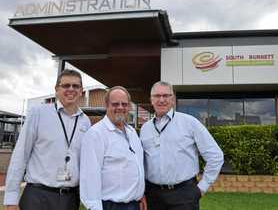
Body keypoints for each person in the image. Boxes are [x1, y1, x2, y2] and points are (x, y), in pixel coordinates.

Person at [3, 69, 91, 210]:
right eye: (66, 85)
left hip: (70, 199)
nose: (71, 89)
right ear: (56, 89)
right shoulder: (38, 113)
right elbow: (20, 155)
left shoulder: (85, 121)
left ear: (81, 91)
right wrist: (11, 199)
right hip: (38, 197)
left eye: (75, 86)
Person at [140, 81, 224, 210]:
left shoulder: (189, 122)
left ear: (173, 99)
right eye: (157, 96)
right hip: (153, 196)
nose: (161, 100)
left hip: (184, 195)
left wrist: (202, 187)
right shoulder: (145, 128)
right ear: (151, 99)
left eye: (166, 95)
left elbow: (215, 156)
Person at [80, 86, 146, 210]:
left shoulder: (132, 132)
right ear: (106, 106)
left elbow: (137, 166)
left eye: (124, 104)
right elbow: (89, 177)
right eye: (115, 104)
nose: (120, 107)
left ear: (129, 107)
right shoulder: (96, 134)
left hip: (134, 204)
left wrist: (140, 194)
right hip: (110, 206)